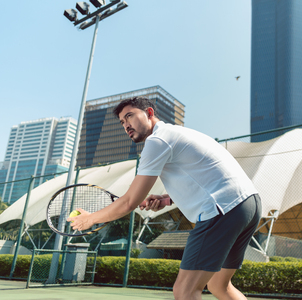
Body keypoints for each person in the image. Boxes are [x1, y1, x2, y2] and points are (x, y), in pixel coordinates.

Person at [68, 96, 262, 300]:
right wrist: (166, 199)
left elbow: (128, 202)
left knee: (185, 290)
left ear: (150, 113)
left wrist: (89, 219)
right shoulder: (176, 133)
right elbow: (208, 177)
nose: (126, 125)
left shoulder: (157, 141)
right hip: (248, 204)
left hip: (223, 210)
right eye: (122, 122)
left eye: (130, 116)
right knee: (219, 285)